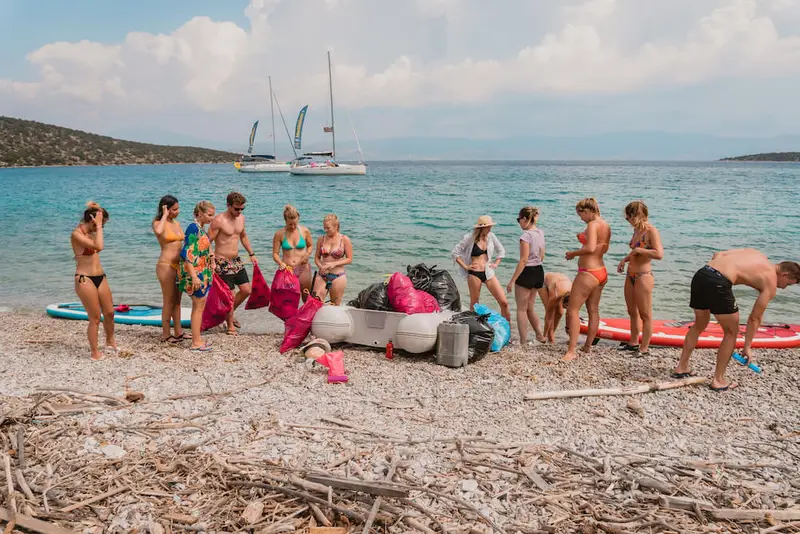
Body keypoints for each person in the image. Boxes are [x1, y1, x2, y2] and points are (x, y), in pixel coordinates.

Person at [673, 250, 800, 391]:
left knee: (699, 324)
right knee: (731, 332)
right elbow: (755, 318)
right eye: (788, 284)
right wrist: (747, 347)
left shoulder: (758, 255)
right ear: (784, 275)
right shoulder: (771, 281)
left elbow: (718, 254)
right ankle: (718, 380)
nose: (783, 288)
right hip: (718, 282)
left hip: (702, 274)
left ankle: (681, 367)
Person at [563, 198, 612, 361]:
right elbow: (601, 247)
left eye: (581, 215)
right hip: (601, 271)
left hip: (588, 272)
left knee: (572, 309)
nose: (581, 218)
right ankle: (587, 346)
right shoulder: (605, 225)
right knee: (593, 310)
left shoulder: (592, 225)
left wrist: (573, 253)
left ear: (588, 211)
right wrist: (582, 237)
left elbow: (590, 248)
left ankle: (571, 350)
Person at [616, 201, 664, 357]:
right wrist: (624, 260)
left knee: (645, 314)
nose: (627, 220)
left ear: (637, 215)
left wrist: (639, 250)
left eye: (629, 217)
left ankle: (644, 348)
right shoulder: (636, 230)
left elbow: (659, 254)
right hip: (630, 274)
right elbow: (635, 252)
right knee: (632, 311)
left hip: (643, 276)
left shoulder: (651, 231)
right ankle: (633, 342)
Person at [71, 202, 115, 361]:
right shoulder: (77, 234)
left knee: (109, 313)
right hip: (85, 278)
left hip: (100, 277)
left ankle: (110, 342)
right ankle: (95, 352)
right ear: (91, 220)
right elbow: (99, 246)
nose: (101, 227)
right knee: (95, 317)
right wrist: (99, 226)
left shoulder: (92, 232)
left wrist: (97, 207)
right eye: (100, 224)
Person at [208, 191, 256, 335]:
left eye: (242, 209)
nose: (239, 211)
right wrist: (211, 259)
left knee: (247, 290)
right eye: (236, 209)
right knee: (230, 295)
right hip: (222, 261)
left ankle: (228, 313)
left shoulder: (241, 218)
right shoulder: (219, 220)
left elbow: (243, 236)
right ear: (228, 205)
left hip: (236, 260)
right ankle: (230, 326)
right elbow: (207, 241)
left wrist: (251, 253)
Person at [451, 215, 510, 322]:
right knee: (475, 304)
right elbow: (455, 253)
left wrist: (496, 263)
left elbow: (501, 251)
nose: (490, 229)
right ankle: (474, 327)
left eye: (490, 226)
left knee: (504, 302)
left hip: (488, 272)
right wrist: (466, 266)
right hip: (474, 273)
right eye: (488, 227)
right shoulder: (470, 238)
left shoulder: (491, 236)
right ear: (481, 228)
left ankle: (508, 328)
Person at [178, 201, 216, 351]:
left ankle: (197, 338)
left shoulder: (201, 228)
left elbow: (204, 249)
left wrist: (212, 259)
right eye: (209, 215)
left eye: (213, 215)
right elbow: (187, 254)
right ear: (200, 213)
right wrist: (194, 277)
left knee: (200, 305)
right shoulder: (193, 228)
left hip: (202, 271)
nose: (212, 218)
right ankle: (196, 342)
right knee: (198, 306)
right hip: (195, 273)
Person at [506, 206, 546, 344]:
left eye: (519, 220)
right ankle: (540, 335)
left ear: (525, 219)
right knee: (530, 307)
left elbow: (523, 260)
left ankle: (523, 341)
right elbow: (542, 254)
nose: (519, 223)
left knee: (521, 309)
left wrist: (512, 280)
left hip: (527, 271)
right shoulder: (540, 233)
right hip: (539, 270)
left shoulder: (525, 236)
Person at [153, 195, 188, 343]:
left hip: (179, 265)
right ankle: (166, 334)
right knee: (168, 301)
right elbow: (159, 231)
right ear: (166, 209)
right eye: (174, 209)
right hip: (166, 265)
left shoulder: (177, 223)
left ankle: (178, 332)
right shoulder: (158, 223)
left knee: (178, 301)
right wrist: (164, 215)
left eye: (178, 209)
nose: (177, 212)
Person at [272, 204, 314, 300]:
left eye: (295, 223)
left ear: (298, 218)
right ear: (285, 221)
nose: (293, 226)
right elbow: (275, 254)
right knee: (289, 299)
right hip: (287, 270)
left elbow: (310, 245)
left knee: (306, 296)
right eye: (290, 224)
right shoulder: (279, 234)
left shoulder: (304, 231)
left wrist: (307, 255)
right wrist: (280, 263)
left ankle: (306, 310)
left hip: (303, 268)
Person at [312, 214, 353, 305]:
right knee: (315, 302)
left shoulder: (344, 239)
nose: (325, 230)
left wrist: (334, 264)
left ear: (336, 226)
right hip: (322, 275)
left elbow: (349, 259)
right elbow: (316, 258)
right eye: (324, 228)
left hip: (338, 276)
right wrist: (321, 267)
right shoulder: (321, 239)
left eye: (328, 228)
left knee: (335, 305)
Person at [539, 272, 572, 343]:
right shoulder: (555, 296)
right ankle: (548, 337)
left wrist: (568, 328)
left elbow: (569, 314)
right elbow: (548, 316)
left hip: (559, 283)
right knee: (551, 311)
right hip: (543, 281)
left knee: (560, 312)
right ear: (562, 300)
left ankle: (550, 335)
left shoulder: (574, 296)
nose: (565, 308)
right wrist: (544, 337)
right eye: (564, 307)